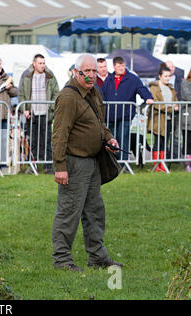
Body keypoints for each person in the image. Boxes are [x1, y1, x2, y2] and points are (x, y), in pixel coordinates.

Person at [51, 53, 123, 272]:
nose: (92, 75)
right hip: (74, 162)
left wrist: (109, 137)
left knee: (95, 211)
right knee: (69, 211)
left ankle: (97, 257)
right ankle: (62, 260)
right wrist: (60, 167)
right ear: (76, 71)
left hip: (92, 162)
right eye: (87, 71)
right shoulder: (68, 97)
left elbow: (98, 122)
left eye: (94, 71)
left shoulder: (93, 91)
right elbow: (59, 134)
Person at [101, 56, 154, 163]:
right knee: (111, 140)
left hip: (125, 115)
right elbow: (103, 94)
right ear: (114, 66)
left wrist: (148, 97)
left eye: (123, 65)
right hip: (110, 116)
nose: (121, 68)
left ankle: (123, 163)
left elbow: (141, 89)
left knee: (123, 138)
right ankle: (112, 163)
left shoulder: (133, 79)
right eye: (119, 66)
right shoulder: (109, 79)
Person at [19, 54, 59, 174]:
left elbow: (56, 93)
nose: (42, 65)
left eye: (43, 63)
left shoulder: (50, 77)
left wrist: (50, 107)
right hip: (32, 114)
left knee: (47, 140)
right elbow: (21, 95)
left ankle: (48, 166)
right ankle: (33, 166)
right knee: (33, 141)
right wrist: (24, 109)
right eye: (40, 63)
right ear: (34, 64)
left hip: (46, 114)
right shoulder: (27, 77)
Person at [147, 66, 179, 172]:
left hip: (169, 119)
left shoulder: (171, 88)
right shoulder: (154, 88)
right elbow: (156, 103)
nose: (167, 78)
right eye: (165, 76)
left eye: (169, 76)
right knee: (158, 141)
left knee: (165, 142)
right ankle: (157, 165)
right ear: (160, 76)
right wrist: (171, 108)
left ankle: (162, 164)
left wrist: (176, 106)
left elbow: (175, 100)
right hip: (158, 119)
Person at [181, 70, 191, 172]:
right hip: (188, 117)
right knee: (187, 141)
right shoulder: (185, 83)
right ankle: (187, 163)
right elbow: (187, 96)